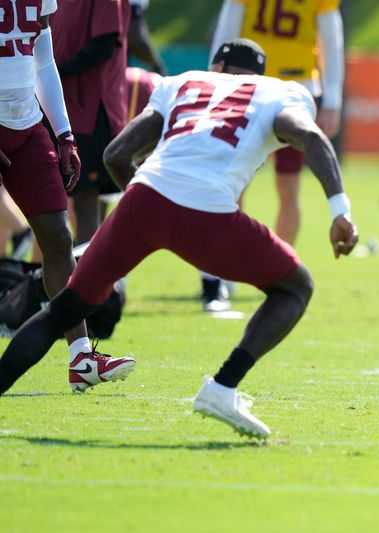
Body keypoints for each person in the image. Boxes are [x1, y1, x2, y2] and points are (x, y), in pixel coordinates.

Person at [0, 39, 359, 440]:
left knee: (61, 312)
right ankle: (223, 388)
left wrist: (145, 217)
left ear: (217, 66)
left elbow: (117, 154)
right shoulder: (280, 92)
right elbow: (310, 139)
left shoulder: (185, 83)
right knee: (296, 288)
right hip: (208, 213)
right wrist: (340, 211)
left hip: (144, 200)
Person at [0, 0, 134, 391]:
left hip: (25, 124)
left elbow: (43, 62)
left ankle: (81, 357)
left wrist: (63, 133)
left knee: (59, 239)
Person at [210, 0, 344, 246]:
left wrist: (214, 80)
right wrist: (333, 98)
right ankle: (228, 264)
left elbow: (225, 34)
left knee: (286, 183)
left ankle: (282, 267)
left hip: (285, 88)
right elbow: (332, 41)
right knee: (236, 181)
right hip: (263, 87)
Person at [50, 0, 130, 245]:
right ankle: (72, 280)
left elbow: (104, 46)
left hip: (91, 113)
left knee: (86, 207)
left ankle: (89, 283)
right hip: (61, 111)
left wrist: (53, 73)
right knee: (54, 207)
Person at [127, 0, 167, 76]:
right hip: (106, 9)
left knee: (137, 41)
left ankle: (158, 70)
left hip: (131, 7)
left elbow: (138, 42)